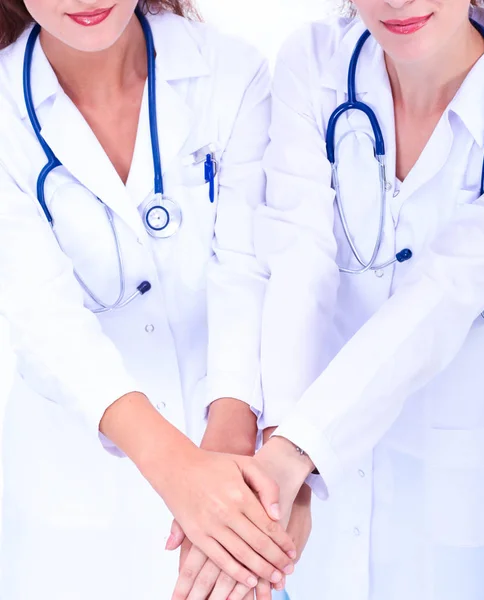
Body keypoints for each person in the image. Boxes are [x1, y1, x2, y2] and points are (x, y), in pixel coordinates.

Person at [0, 2, 298, 599]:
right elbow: (43, 315)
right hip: (73, 496)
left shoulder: (229, 73)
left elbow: (245, 270)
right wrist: (183, 477)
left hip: (238, 470)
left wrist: (226, 462)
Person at [252, 0, 484, 599]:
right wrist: (282, 461)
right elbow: (298, 263)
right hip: (315, 516)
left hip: (461, 517)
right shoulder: (314, 62)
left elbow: (446, 289)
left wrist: (298, 448)